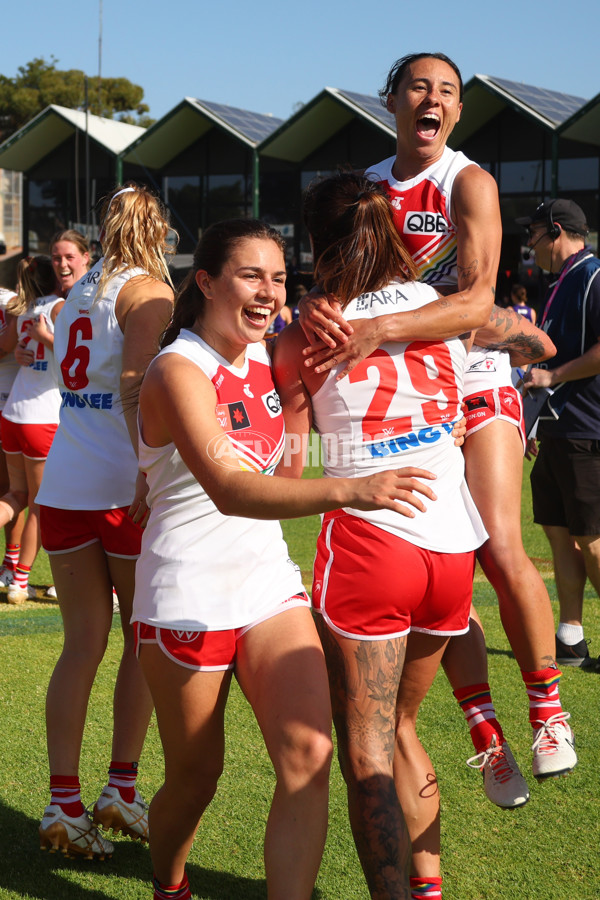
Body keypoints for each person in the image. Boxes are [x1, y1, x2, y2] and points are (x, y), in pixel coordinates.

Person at [131, 217, 435, 900]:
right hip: (188, 594)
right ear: (205, 282)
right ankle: (168, 883)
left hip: (269, 586)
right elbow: (233, 489)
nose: (268, 292)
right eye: (250, 276)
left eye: (278, 278)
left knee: (310, 753)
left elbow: (290, 438)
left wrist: (322, 309)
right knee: (195, 778)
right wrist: (352, 490)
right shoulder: (178, 369)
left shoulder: (268, 356)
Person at [298, 51, 574, 805]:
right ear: (390, 99)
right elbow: (339, 285)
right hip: (419, 401)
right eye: (419, 85)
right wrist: (318, 308)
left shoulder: (468, 179)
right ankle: (484, 730)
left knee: (497, 543)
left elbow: (479, 301)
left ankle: (547, 709)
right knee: (441, 554)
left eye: (448, 91)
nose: (434, 98)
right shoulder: (367, 192)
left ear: (457, 113)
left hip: (474, 377)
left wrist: (381, 327)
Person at [274, 172, 487, 900]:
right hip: (451, 544)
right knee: (402, 728)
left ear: (313, 242)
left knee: (367, 747)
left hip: (372, 539)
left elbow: (289, 464)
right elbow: (525, 337)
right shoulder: (439, 306)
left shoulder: (312, 330)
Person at [37, 184, 175, 860]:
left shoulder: (73, 296)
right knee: (141, 640)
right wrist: (151, 470)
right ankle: (121, 786)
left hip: (66, 479)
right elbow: (136, 387)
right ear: (157, 227)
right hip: (122, 482)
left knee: (80, 645)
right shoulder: (146, 291)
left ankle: (64, 801)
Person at [521, 199, 600, 670]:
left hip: (587, 430)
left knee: (591, 539)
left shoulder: (592, 274)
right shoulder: (565, 280)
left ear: (556, 231)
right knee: (560, 536)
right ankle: (571, 636)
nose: (531, 249)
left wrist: (553, 378)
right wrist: (534, 420)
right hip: (556, 430)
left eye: (533, 237)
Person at [0, 257, 63, 604]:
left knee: (16, 497)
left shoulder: (23, 308)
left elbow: (11, 347)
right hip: (42, 416)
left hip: (13, 414)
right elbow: (71, 354)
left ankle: (14, 574)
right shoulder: (58, 306)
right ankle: (19, 583)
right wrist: (44, 339)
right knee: (39, 506)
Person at [0, 286, 24, 588]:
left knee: (13, 491)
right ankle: (14, 570)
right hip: (17, 409)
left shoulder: (11, 300)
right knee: (14, 492)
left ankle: (12, 564)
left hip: (14, 406)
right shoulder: (13, 301)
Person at [50, 229, 90, 298]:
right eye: (57, 258)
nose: (63, 264)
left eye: (69, 257)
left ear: (85, 258)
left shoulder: (97, 295)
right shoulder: (56, 295)